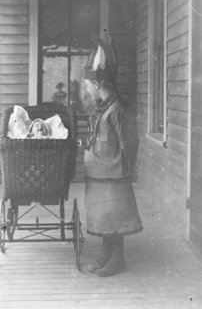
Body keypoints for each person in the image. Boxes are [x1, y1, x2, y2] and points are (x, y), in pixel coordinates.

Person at [83, 32, 143, 277]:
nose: (86, 88)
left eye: (88, 84)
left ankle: (118, 258)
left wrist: (122, 168)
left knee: (115, 217)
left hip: (114, 175)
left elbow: (130, 141)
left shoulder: (115, 110)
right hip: (98, 173)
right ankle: (107, 252)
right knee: (103, 217)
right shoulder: (101, 110)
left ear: (97, 84)